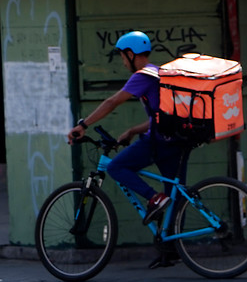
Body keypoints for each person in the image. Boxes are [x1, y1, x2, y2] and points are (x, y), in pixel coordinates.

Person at [67, 31, 190, 263]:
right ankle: (172, 250)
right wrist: (134, 131)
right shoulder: (158, 72)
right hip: (177, 140)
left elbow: (112, 102)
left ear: (131, 54)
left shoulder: (142, 76)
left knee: (116, 167)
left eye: (123, 56)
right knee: (176, 195)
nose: (123, 61)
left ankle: (153, 198)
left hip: (159, 143)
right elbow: (160, 117)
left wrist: (83, 124)